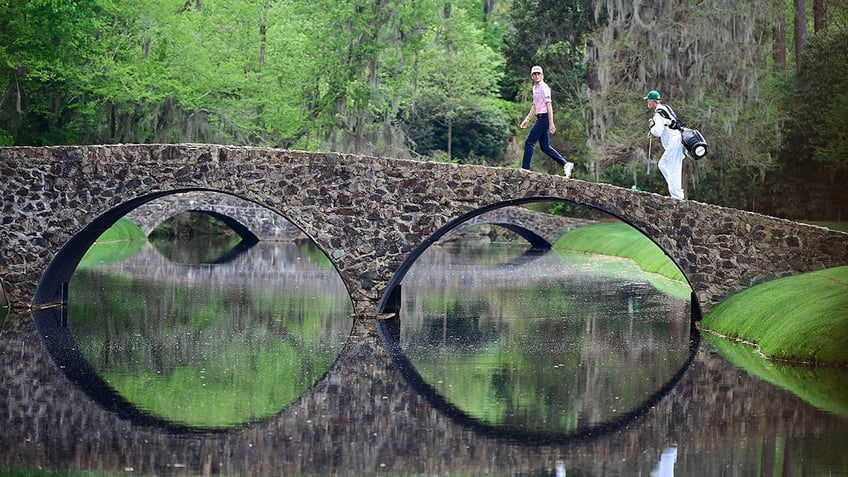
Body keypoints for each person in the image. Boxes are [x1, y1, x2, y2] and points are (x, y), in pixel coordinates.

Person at [520, 65, 574, 178]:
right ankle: (565, 164)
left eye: (538, 74)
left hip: (544, 118)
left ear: (542, 75)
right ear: (532, 76)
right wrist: (527, 119)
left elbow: (548, 106)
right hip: (540, 117)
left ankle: (525, 169)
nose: (536, 76)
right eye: (534, 74)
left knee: (529, 142)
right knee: (545, 146)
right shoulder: (535, 88)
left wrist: (551, 122)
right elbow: (535, 106)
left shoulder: (544, 87)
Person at [645, 90, 685, 200]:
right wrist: (654, 124)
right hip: (677, 140)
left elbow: (658, 131)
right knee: (665, 165)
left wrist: (652, 131)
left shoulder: (658, 113)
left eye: (648, 100)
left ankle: (677, 197)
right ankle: (676, 193)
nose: (647, 103)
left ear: (652, 101)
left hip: (674, 142)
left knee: (669, 167)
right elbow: (666, 123)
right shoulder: (665, 108)